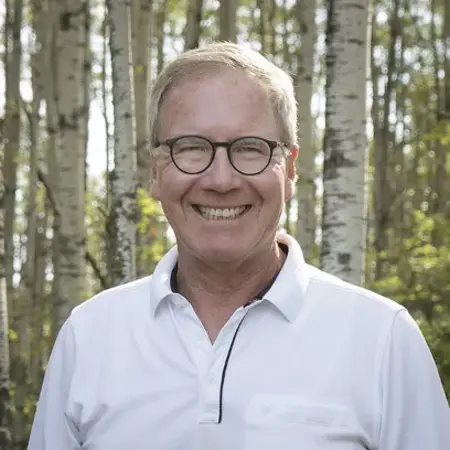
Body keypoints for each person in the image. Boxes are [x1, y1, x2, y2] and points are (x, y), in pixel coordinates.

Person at [28, 42, 449, 450]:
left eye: (250, 149)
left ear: (289, 171)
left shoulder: (382, 338)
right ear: (157, 171)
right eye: (191, 148)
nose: (221, 180)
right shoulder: (89, 336)